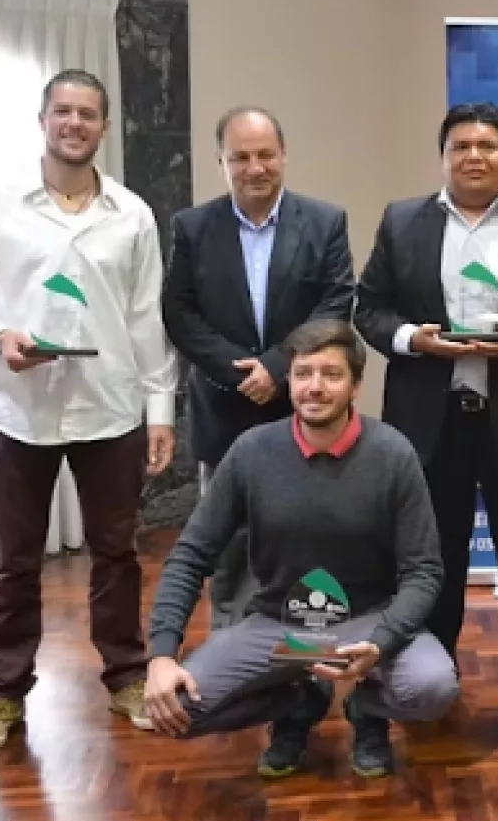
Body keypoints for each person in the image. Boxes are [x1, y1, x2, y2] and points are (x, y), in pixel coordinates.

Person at [0, 70, 177, 756]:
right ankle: (3, 695)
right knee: (14, 563)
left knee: (117, 555)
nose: (74, 123)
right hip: (17, 411)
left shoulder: (132, 214)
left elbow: (146, 318)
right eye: (63, 111)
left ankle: (126, 677)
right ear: (43, 119)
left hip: (110, 410)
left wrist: (160, 409)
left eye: (87, 114)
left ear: (104, 127)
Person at [142, 319, 457, 778]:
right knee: (174, 709)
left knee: (433, 688)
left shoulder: (393, 455)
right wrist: (161, 654)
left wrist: (383, 641)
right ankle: (297, 699)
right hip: (280, 626)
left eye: (331, 374)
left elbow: (424, 570)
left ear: (355, 385)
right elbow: (191, 556)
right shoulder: (251, 452)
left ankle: (367, 708)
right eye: (303, 373)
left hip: (368, 621)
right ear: (288, 380)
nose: (315, 387)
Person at [354, 103, 498, 681]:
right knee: (432, 555)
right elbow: (369, 309)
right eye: (461, 147)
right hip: (431, 422)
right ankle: (430, 676)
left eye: (487, 146)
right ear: (444, 157)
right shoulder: (403, 221)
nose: (474, 157)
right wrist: (413, 340)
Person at [162, 105, 356, 630]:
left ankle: (306, 648)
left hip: (306, 410)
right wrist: (241, 372)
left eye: (266, 155)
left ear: (284, 155)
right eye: (240, 157)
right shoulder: (192, 227)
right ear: (221, 162)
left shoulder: (325, 222)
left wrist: (277, 367)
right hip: (224, 408)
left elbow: (336, 303)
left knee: (309, 536)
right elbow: (179, 312)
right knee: (226, 543)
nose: (255, 168)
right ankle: (230, 641)